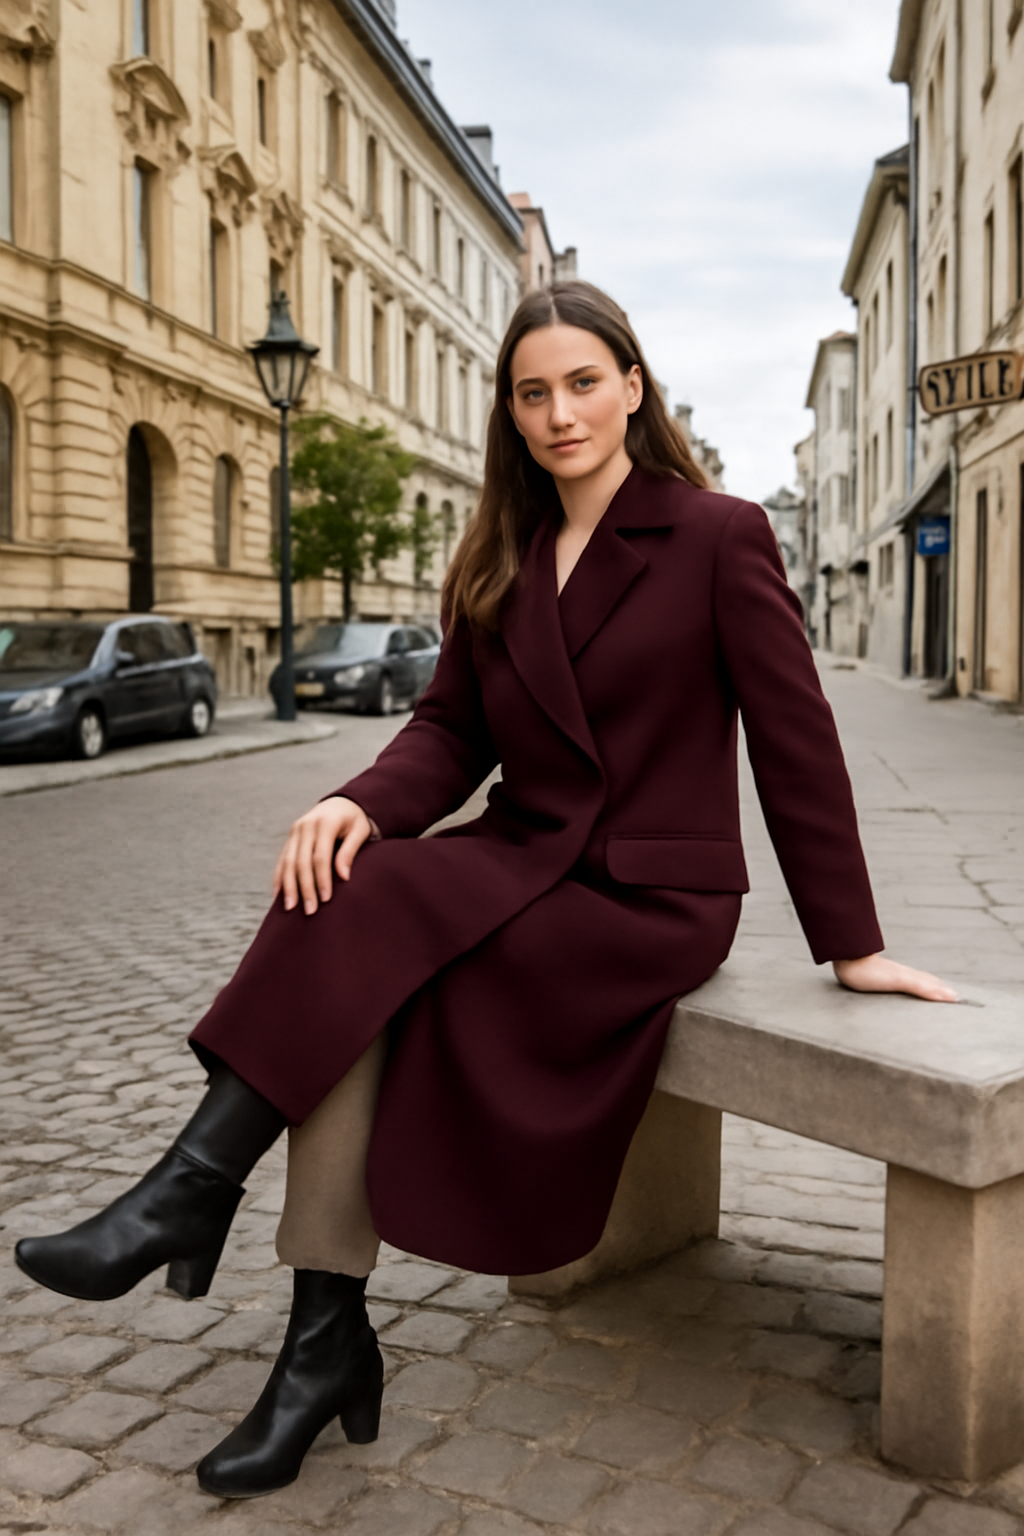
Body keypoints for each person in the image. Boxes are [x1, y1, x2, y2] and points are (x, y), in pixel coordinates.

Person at [14, 281, 956, 1500]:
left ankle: (205, 1214)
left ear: (631, 385)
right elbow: (448, 732)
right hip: (520, 855)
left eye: (580, 382)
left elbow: (796, 739)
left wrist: (852, 942)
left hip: (646, 896)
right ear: (509, 416)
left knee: (376, 953)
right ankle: (311, 1327)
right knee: (342, 895)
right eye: (532, 393)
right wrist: (357, 799)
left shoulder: (717, 533)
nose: (559, 412)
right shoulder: (500, 553)